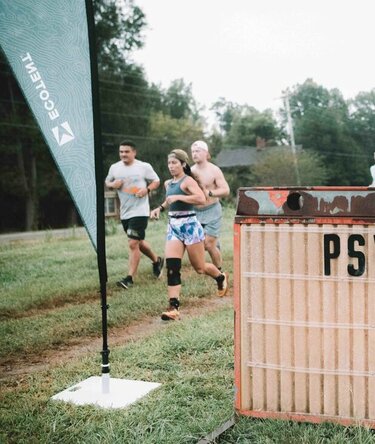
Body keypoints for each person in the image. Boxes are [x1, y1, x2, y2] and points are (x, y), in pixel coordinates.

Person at [150, 149, 229, 321]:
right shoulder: (168, 184)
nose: (171, 166)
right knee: (172, 266)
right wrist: (160, 208)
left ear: (183, 164)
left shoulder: (188, 181)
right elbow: (170, 199)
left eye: (174, 163)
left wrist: (180, 197)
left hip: (190, 227)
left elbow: (201, 199)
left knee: (200, 268)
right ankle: (173, 308)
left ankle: (220, 276)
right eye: (169, 163)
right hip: (174, 227)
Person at [105, 140, 164, 289]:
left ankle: (129, 278)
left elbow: (156, 180)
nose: (123, 154)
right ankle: (157, 260)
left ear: (134, 152)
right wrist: (113, 185)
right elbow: (107, 182)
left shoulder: (143, 167)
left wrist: (147, 190)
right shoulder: (114, 168)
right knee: (138, 242)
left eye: (126, 152)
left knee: (132, 243)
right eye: (121, 152)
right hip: (125, 212)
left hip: (140, 211)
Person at [190, 140, 230, 271]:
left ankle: (219, 271)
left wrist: (210, 192)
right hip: (195, 211)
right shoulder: (189, 171)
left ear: (206, 153)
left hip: (212, 210)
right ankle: (215, 245)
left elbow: (226, 190)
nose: (194, 154)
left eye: (198, 151)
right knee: (198, 244)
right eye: (193, 152)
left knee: (208, 244)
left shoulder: (214, 170)